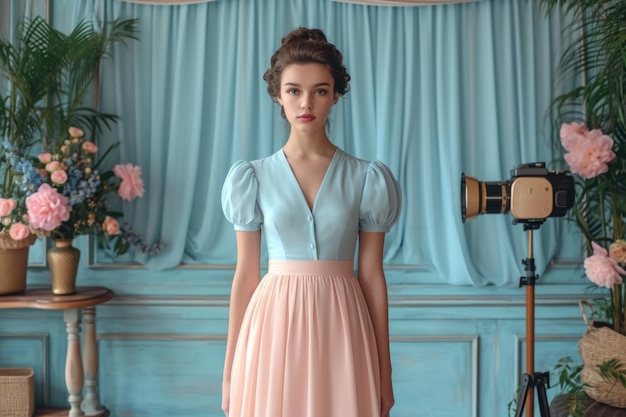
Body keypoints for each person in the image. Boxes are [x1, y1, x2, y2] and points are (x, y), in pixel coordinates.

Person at [220, 27, 401, 417]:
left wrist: (384, 370)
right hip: (272, 325)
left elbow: (371, 276)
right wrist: (231, 368)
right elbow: (246, 276)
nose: (306, 103)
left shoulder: (367, 177)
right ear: (277, 95)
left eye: (319, 90)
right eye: (293, 91)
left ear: (336, 95)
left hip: (343, 324)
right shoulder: (251, 177)